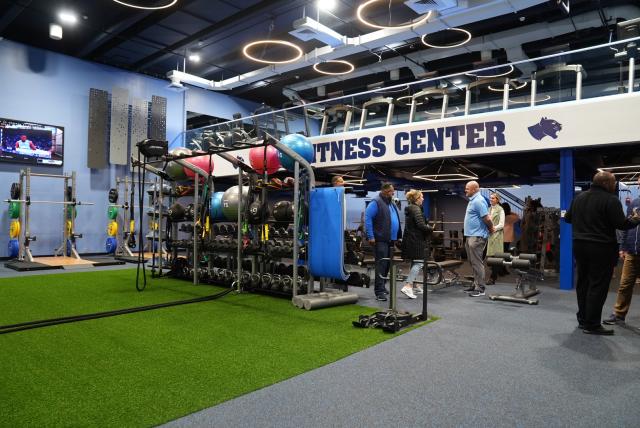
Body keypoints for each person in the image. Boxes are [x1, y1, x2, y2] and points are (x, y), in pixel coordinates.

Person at [564, 171, 640, 335]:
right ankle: (592, 324)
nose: (614, 186)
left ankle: (583, 320)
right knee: (598, 285)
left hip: (579, 246)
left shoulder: (579, 197)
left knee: (583, 283)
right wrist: (636, 218)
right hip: (601, 248)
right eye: (613, 183)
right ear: (606, 183)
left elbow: (568, 218)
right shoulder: (611, 200)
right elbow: (622, 224)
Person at [603, 177, 640, 326]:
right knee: (624, 284)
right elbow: (626, 226)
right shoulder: (635, 203)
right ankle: (618, 315)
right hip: (632, 250)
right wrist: (623, 247)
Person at [365, 183, 402, 301]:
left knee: (387, 265)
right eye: (392, 191)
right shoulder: (376, 202)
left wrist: (398, 235)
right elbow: (368, 218)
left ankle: (382, 286)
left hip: (390, 240)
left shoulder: (390, 202)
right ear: (385, 191)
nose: (393, 192)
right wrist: (371, 236)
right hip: (380, 239)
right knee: (381, 265)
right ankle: (379, 291)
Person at [463, 181, 494, 297]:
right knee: (472, 262)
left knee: (477, 263)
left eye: (467, 188)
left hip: (477, 236)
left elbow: (486, 218)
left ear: (475, 189)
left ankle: (480, 288)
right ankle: (475, 284)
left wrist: (491, 228)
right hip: (470, 235)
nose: (465, 190)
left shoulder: (479, 201)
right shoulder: (473, 200)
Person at [400, 189, 433, 299]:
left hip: (411, 240)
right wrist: (430, 229)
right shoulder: (416, 210)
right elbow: (421, 226)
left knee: (414, 262)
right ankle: (408, 286)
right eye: (422, 197)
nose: (423, 199)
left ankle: (415, 285)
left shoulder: (412, 209)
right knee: (419, 263)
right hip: (416, 241)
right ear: (417, 199)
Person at [486, 193, 505, 285]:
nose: (491, 199)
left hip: (497, 235)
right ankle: (496, 273)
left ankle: (493, 278)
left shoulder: (500, 210)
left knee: (495, 258)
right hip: (488, 235)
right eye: (490, 198)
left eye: (493, 198)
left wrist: (493, 228)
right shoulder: (488, 209)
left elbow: (502, 224)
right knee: (490, 258)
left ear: (497, 200)